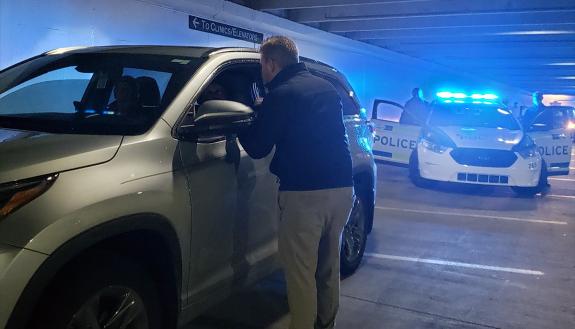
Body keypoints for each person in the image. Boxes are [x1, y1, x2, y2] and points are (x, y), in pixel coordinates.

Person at [239, 36, 354, 329]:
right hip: (342, 189)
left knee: (301, 275)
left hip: (305, 195)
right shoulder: (325, 87)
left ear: (270, 63)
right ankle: (326, 324)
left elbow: (258, 148)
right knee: (328, 268)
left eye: (262, 65)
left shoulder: (282, 94)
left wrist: (244, 121)